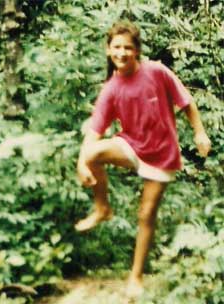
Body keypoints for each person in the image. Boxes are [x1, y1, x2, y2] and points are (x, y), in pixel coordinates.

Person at [75, 20, 211, 297]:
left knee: (146, 214)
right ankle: (102, 208)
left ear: (137, 50)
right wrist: (82, 163)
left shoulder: (157, 72)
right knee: (92, 152)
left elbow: (187, 103)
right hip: (132, 146)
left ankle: (135, 277)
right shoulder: (111, 88)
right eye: (116, 47)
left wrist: (200, 133)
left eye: (128, 47)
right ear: (108, 50)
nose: (122, 53)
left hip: (162, 155)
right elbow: (93, 132)